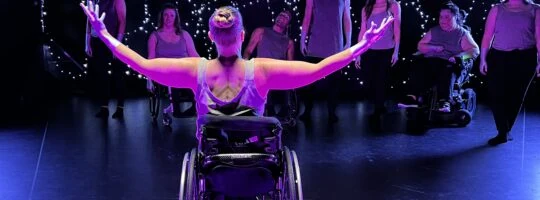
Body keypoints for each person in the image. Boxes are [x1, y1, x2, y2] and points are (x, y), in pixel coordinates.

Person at [80, 3, 392, 137]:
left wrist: (104, 34)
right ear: (243, 36)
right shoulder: (264, 71)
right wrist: (361, 46)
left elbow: (141, 64)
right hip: (256, 158)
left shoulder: (194, 70)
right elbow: (320, 69)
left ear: (211, 36)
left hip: (212, 158)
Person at [398, 2, 479, 113]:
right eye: (441, 17)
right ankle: (413, 97)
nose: (443, 20)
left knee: (447, 69)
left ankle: (445, 100)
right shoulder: (434, 31)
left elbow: (475, 50)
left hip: (449, 62)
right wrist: (434, 48)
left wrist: (459, 57)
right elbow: (420, 46)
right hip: (432, 62)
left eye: (447, 17)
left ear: (455, 17)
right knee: (419, 65)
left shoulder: (462, 33)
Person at [480, 0, 540, 146]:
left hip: (525, 58)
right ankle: (503, 132)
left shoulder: (535, 9)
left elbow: (539, 38)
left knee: (516, 96)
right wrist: (483, 59)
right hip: (499, 57)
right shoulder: (497, 9)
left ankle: (505, 131)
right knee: (497, 95)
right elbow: (488, 36)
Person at [299, 0, 352, 123]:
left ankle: (332, 111)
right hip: (316, 42)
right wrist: (302, 40)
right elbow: (307, 17)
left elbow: (346, 18)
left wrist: (348, 41)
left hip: (335, 44)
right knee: (309, 81)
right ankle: (307, 110)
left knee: (334, 82)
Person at [147, 3, 199, 124]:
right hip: (166, 70)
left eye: (171, 15)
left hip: (185, 69)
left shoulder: (184, 35)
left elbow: (194, 55)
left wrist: (207, 66)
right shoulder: (155, 36)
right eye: (166, 15)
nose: (168, 18)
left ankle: (196, 107)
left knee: (197, 78)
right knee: (173, 74)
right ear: (162, 17)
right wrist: (149, 80)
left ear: (176, 17)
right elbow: (150, 59)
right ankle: (175, 109)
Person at [355, 0, 401, 124]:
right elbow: (363, 30)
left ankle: (378, 108)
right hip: (369, 50)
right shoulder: (366, 8)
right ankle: (379, 105)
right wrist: (358, 53)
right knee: (370, 81)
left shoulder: (393, 5)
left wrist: (396, 51)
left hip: (386, 50)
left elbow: (397, 29)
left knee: (381, 80)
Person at [243, 10, 295, 118]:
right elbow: (248, 50)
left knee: (287, 80)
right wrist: (245, 65)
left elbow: (290, 65)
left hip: (278, 71)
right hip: (261, 69)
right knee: (263, 77)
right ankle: (269, 109)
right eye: (281, 14)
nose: (282, 17)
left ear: (288, 24)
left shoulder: (289, 42)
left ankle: (285, 110)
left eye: (286, 17)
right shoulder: (261, 31)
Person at [85, 0, 127, 119]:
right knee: (102, 74)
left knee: (118, 74)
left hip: (113, 39)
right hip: (97, 40)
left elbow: (122, 21)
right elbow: (89, 19)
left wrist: (117, 45)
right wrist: (87, 41)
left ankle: (120, 108)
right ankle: (104, 108)